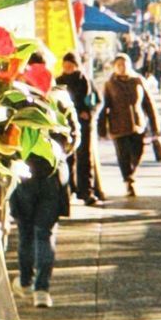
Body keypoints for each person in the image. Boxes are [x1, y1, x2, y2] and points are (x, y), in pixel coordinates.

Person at [8, 149, 67, 304]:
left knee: (25, 233)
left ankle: (26, 282)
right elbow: (72, 136)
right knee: (44, 235)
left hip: (24, 175)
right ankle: (41, 290)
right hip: (50, 175)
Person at [100, 51, 161, 200]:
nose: (121, 67)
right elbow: (104, 107)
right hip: (118, 126)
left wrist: (155, 127)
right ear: (114, 67)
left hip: (138, 125)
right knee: (123, 156)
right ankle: (128, 181)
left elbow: (149, 104)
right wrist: (102, 128)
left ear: (129, 65)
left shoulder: (138, 80)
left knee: (138, 153)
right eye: (118, 65)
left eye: (124, 64)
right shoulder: (110, 84)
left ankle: (131, 173)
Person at [56, 52, 100, 205]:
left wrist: (90, 113)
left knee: (85, 159)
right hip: (65, 125)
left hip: (84, 124)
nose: (68, 68)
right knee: (67, 158)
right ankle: (69, 190)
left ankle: (86, 191)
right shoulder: (58, 81)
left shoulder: (85, 81)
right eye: (66, 65)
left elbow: (97, 101)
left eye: (71, 65)